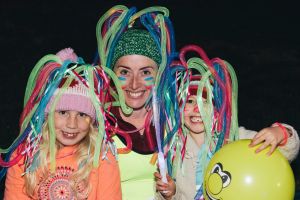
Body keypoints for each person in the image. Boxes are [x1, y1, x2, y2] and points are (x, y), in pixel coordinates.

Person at [154, 53, 300, 200]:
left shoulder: (235, 137)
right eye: (190, 101)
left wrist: (281, 133)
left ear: (218, 110)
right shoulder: (173, 151)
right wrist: (170, 194)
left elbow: (285, 152)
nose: (197, 109)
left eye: (206, 102)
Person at [0, 48, 121, 199]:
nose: (72, 124)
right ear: (47, 114)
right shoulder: (24, 157)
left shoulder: (102, 158)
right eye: (63, 112)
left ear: (92, 121)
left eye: (82, 114)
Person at [95, 5, 176, 200]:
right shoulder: (96, 121)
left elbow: (220, 142)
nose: (134, 83)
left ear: (160, 74)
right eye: (124, 72)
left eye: (146, 72)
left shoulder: (174, 119)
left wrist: (263, 133)